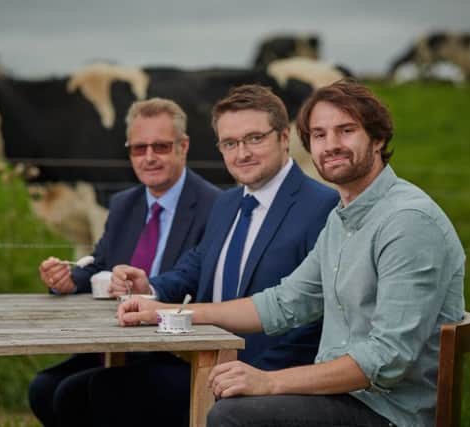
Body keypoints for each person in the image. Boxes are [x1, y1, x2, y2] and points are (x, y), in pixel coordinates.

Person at [118, 79, 466, 427]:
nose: (332, 145)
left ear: (377, 139)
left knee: (232, 414)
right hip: (345, 397)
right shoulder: (342, 219)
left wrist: (268, 381)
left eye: (346, 131)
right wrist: (169, 311)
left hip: (389, 411)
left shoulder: (406, 221)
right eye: (319, 134)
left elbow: (387, 359)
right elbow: (283, 303)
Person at [87, 84, 339, 427]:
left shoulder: (322, 206)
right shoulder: (227, 203)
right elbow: (195, 268)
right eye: (230, 143)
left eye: (254, 139)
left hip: (272, 376)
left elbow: (317, 315)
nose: (242, 154)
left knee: (106, 395)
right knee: (82, 391)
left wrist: (258, 377)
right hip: (203, 361)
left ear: (284, 137)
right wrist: (151, 288)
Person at [28, 97, 221, 427]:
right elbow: (99, 263)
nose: (149, 158)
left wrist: (151, 290)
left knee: (81, 394)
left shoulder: (214, 205)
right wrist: (69, 278)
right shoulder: (123, 204)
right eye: (138, 148)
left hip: (178, 351)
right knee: (43, 389)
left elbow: (196, 278)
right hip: (118, 341)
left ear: (183, 146)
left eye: (160, 146)